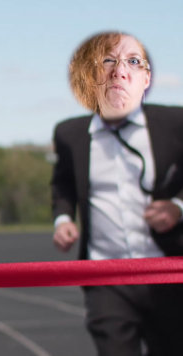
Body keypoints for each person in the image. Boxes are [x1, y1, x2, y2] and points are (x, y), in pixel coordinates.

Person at [51, 31, 183, 356]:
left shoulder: (175, 123)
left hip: (169, 272)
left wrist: (179, 207)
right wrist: (63, 218)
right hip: (105, 275)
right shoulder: (70, 134)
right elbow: (63, 182)